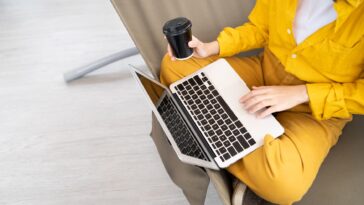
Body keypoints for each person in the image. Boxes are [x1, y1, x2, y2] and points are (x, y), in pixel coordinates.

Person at [159, 0, 364, 204]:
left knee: (284, 186)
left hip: (317, 108)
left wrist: (304, 93)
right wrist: (212, 47)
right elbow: (260, 28)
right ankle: (236, 150)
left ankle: (213, 134)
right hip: (264, 72)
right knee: (175, 65)